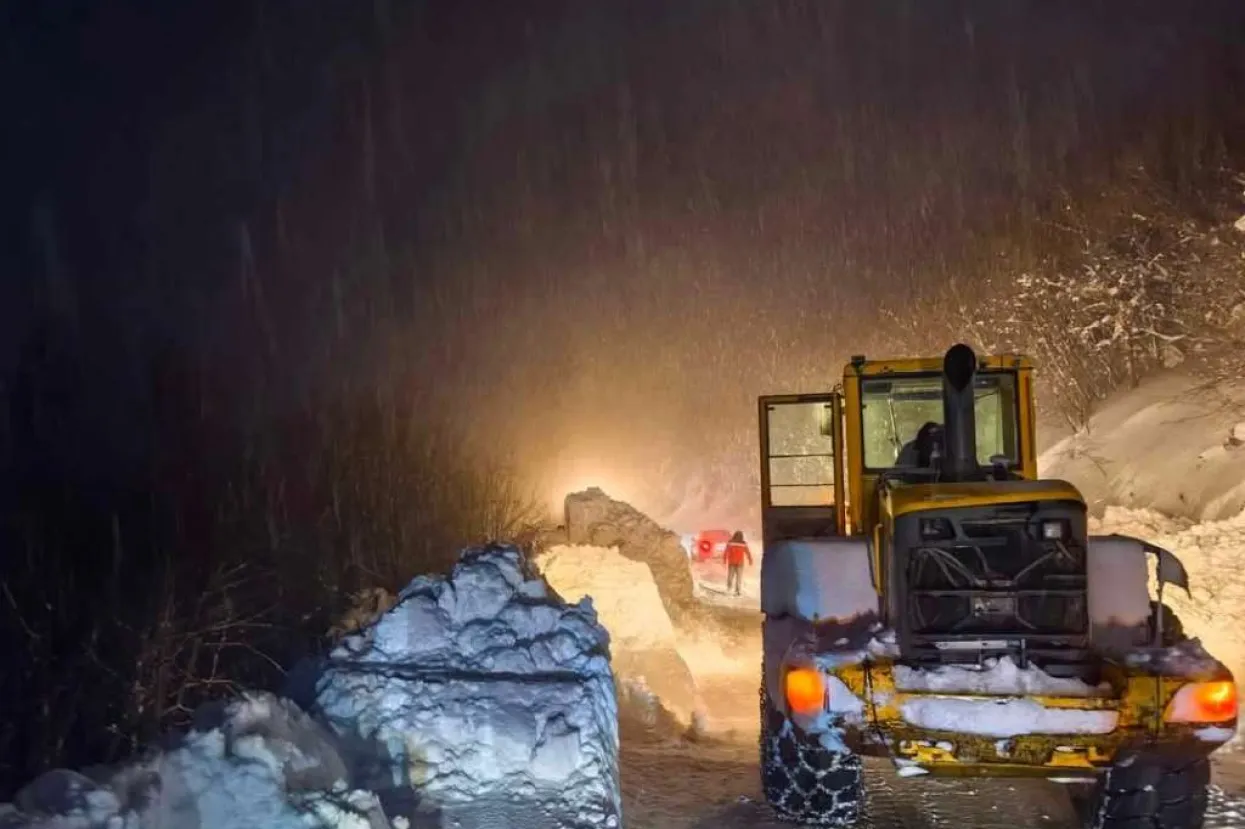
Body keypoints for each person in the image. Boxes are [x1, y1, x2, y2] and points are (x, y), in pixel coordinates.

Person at [723, 530, 754, 597]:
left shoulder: (730, 542)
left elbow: (726, 551)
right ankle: (737, 591)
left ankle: (729, 588)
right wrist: (750, 560)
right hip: (740, 563)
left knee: (730, 576)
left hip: (732, 562)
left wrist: (724, 559)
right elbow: (747, 552)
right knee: (739, 577)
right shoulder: (743, 543)